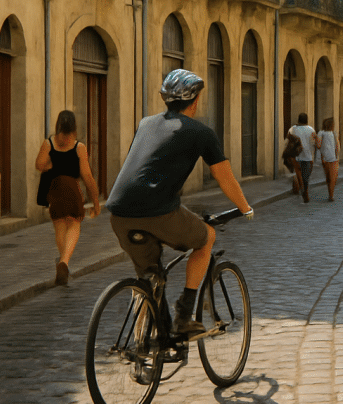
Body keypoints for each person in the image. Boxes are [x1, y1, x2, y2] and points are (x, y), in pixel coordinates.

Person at [105, 69, 253, 338]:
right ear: (195, 101)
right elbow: (224, 177)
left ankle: (151, 342)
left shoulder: (146, 124)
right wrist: (245, 208)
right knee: (207, 237)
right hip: (159, 213)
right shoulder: (201, 132)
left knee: (150, 276)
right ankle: (184, 316)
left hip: (119, 213)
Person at [34, 110, 101, 286]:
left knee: (60, 225)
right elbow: (87, 176)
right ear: (74, 127)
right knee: (74, 224)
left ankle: (62, 261)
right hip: (72, 188)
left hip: (54, 189)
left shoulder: (49, 143)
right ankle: (64, 261)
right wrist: (95, 201)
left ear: (58, 125)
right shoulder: (79, 147)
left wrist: (51, 166)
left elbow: (39, 164)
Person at [287, 113, 317, 203]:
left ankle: (302, 190)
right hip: (308, 156)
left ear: (298, 120)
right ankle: (305, 191)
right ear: (307, 120)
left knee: (298, 174)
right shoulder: (311, 129)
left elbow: (289, 141)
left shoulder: (293, 129)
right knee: (306, 177)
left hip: (296, 156)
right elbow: (314, 142)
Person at [316, 117, 340, 201]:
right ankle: (331, 195)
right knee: (333, 177)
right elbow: (337, 146)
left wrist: (316, 140)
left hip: (325, 158)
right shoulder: (333, 133)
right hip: (333, 158)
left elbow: (318, 145)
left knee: (329, 177)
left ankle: (330, 194)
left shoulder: (321, 133)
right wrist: (337, 156)